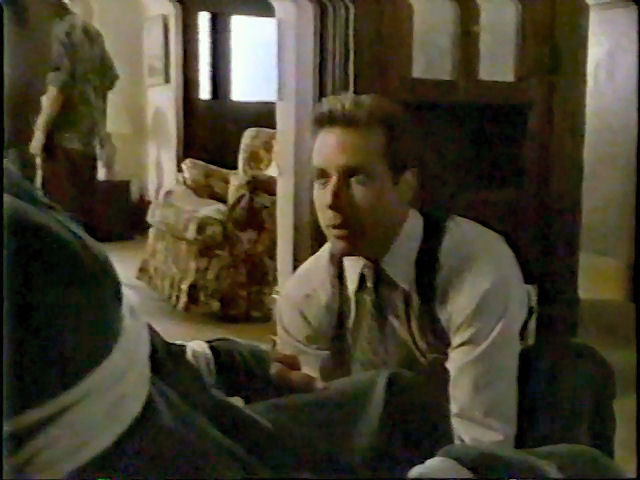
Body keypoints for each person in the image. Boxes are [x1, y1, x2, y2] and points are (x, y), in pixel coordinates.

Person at [271, 93, 530, 448]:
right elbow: (310, 422)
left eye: (358, 178)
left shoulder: (476, 268)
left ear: (405, 184)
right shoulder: (307, 291)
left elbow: (482, 442)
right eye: (321, 179)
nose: (332, 201)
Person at [28, 0, 118, 236]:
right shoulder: (93, 34)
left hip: (63, 136)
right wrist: (103, 134)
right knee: (81, 215)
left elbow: (58, 85)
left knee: (60, 218)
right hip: (87, 138)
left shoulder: (61, 31)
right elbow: (107, 82)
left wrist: (40, 131)